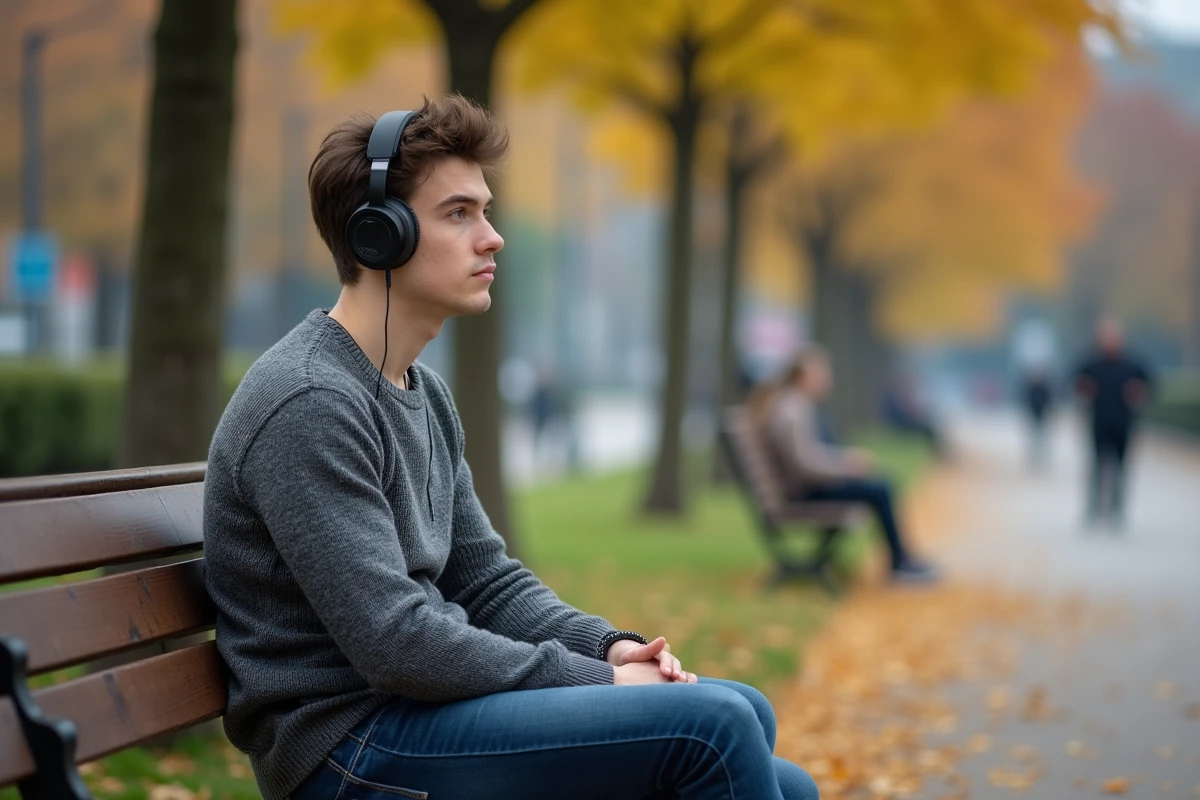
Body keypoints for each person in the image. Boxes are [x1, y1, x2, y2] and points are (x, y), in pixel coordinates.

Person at [202, 96, 818, 800]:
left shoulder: (422, 393)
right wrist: (601, 682)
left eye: (485, 212)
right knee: (714, 727)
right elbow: (396, 642)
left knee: (755, 726)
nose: (492, 238)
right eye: (458, 213)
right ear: (379, 236)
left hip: (412, 718)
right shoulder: (312, 400)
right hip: (347, 749)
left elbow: (485, 583)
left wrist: (609, 645)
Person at [752, 345, 938, 583]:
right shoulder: (793, 410)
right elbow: (804, 466)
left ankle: (900, 559)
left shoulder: (796, 404)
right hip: (805, 492)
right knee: (881, 488)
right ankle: (899, 562)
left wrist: (845, 460)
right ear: (804, 377)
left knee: (881, 484)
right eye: (821, 373)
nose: (826, 378)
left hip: (805, 487)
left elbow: (809, 456)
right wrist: (845, 467)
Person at [1073, 318, 1153, 527]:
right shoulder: (1090, 363)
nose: (1110, 341)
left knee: (1121, 468)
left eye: (1114, 337)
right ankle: (1093, 509)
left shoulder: (1133, 365)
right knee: (1096, 467)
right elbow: (1075, 383)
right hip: (1098, 423)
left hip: (1123, 423)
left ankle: (1117, 510)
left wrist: (1138, 393)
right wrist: (1083, 390)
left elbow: (1149, 386)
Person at [1021, 366, 1054, 469]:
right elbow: (1027, 401)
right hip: (1033, 415)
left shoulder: (1044, 388)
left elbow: (1049, 401)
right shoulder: (1032, 388)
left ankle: (1042, 456)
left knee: (1042, 437)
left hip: (1043, 415)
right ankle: (1034, 456)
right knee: (1034, 437)